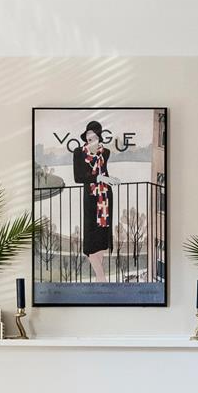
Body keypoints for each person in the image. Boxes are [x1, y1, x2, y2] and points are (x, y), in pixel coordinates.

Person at [73, 119, 112, 281]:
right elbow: (78, 177)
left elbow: (106, 175)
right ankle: (102, 278)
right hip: (90, 199)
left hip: (105, 199)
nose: (90, 139)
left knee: (102, 242)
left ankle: (99, 282)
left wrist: (108, 179)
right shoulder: (79, 153)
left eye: (94, 136)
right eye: (88, 135)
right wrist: (98, 177)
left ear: (99, 137)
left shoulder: (106, 153)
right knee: (90, 245)